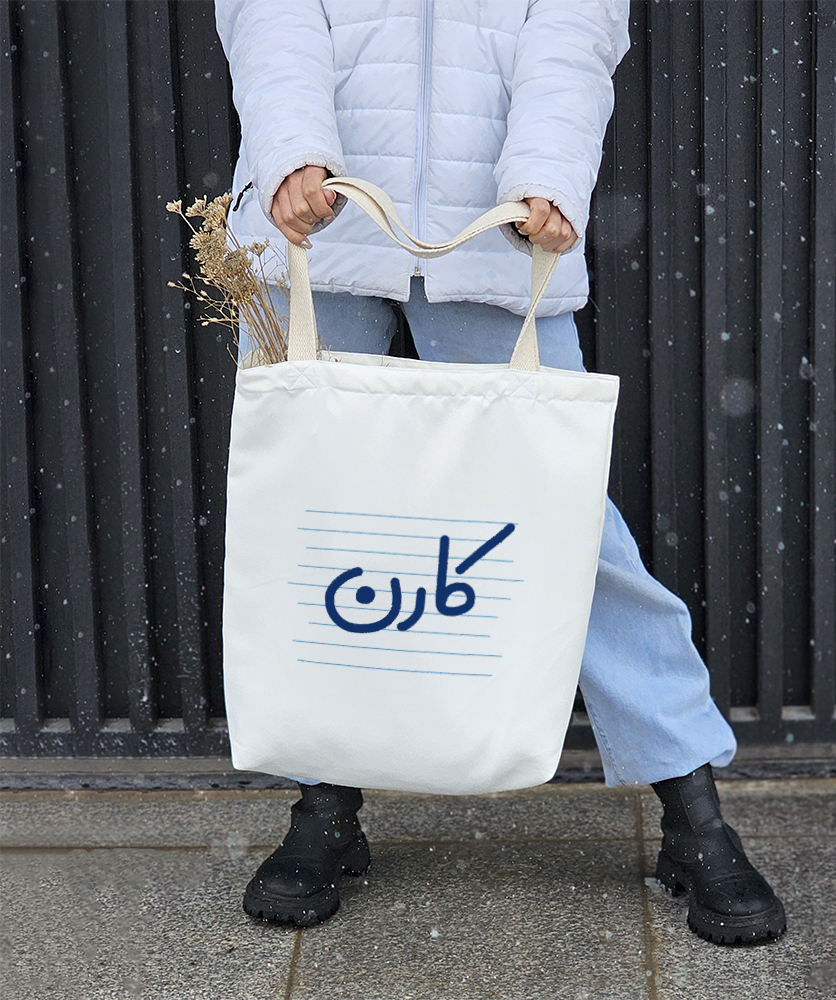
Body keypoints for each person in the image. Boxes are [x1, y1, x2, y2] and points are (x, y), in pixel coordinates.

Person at [215, 0, 786, 946]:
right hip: (315, 229)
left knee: (566, 530)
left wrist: (548, 174)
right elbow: (272, 15)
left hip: (495, 233)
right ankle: (323, 803)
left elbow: (573, 28)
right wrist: (291, 153)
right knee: (317, 533)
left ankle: (693, 812)